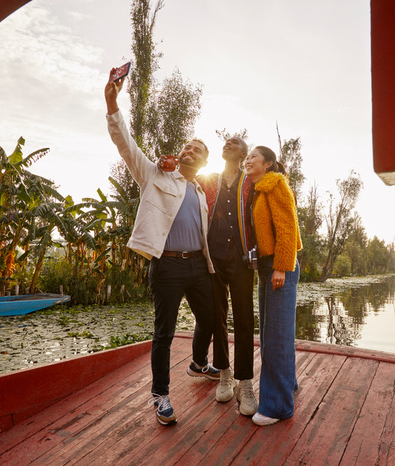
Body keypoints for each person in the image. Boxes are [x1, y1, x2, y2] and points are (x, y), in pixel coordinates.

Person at [104, 77, 219, 426]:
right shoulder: (154, 175)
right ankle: (161, 395)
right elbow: (125, 144)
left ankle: (198, 363)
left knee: (211, 317)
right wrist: (112, 104)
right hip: (166, 267)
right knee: (164, 333)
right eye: (188, 146)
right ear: (179, 152)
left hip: (198, 266)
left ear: (202, 163)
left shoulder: (200, 190)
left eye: (198, 150)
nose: (190, 151)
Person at [197, 137, 257, 415]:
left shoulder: (251, 182)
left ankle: (245, 383)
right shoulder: (209, 180)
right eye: (225, 142)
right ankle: (225, 374)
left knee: (244, 319)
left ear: (243, 154)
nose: (227, 144)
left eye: (233, 143)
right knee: (217, 317)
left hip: (243, 260)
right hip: (215, 259)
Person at [243, 145, 302, 426]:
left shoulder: (275, 184)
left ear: (267, 164)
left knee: (276, 335)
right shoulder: (256, 191)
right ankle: (287, 384)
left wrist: (281, 266)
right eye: (247, 157)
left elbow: (288, 227)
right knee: (272, 333)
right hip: (267, 267)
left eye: (253, 156)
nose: (248, 160)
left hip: (281, 266)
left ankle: (277, 406)